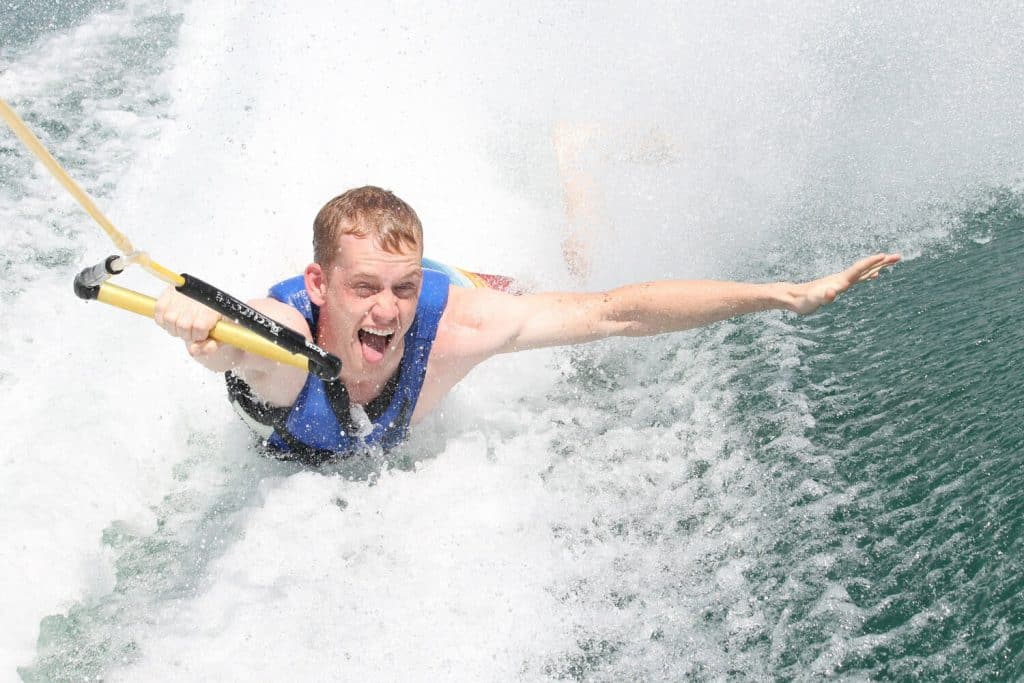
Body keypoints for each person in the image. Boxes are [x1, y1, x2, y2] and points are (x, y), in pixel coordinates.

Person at [154, 186, 899, 463]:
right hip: (287, 368)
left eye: (402, 288)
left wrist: (786, 295)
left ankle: (577, 177)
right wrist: (204, 324)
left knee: (561, 293)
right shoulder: (293, 341)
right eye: (365, 288)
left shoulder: (449, 328)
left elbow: (618, 312)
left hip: (465, 290)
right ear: (322, 284)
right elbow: (242, 341)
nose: (385, 310)